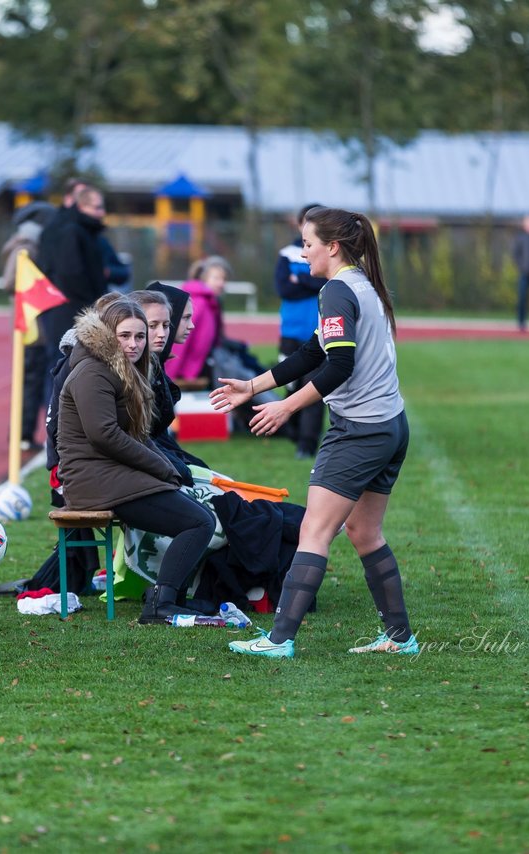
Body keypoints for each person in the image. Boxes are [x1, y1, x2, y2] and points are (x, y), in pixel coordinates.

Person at [211, 206, 418, 659]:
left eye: (307, 244)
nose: (302, 253)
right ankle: (401, 639)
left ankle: (279, 640)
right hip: (389, 426)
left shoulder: (339, 291)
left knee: (314, 530)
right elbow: (313, 351)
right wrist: (253, 385)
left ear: (332, 247)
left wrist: (285, 406)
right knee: (364, 533)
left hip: (361, 431)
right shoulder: (361, 285)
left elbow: (338, 364)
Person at [55, 299, 215, 624]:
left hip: (110, 474)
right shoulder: (92, 371)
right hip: (92, 480)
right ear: (107, 335)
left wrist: (173, 470)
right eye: (125, 335)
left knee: (197, 514)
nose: (134, 344)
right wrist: (161, 468)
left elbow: (139, 435)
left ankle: (170, 599)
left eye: (139, 337)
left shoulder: (122, 368)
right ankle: (160, 604)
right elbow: (104, 435)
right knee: (198, 522)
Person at [130, 286, 206, 480]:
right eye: (185, 318)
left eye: (166, 325)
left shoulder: (155, 363)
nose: (192, 326)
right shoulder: (132, 369)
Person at [36, 184, 109, 379]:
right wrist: (91, 304)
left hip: (77, 308)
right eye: (97, 207)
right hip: (70, 311)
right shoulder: (72, 231)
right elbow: (71, 273)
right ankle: (56, 410)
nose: (102, 212)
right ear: (82, 207)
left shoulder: (85, 231)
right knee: (63, 367)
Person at [1, 201, 56, 450]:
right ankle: (22, 436)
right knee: (30, 379)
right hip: (31, 324)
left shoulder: (28, 246)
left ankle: (23, 434)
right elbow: (10, 281)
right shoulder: (26, 249)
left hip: (34, 322)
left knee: (31, 378)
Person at [275, 204, 328, 459]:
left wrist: (302, 280)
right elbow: (284, 289)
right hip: (291, 332)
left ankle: (307, 444)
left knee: (313, 389)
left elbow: (325, 281)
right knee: (290, 386)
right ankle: (293, 432)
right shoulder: (286, 254)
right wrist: (312, 283)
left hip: (319, 335)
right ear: (299, 225)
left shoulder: (328, 253)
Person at [167, 255, 230, 388]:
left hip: (200, 365)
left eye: (224, 279)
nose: (221, 283)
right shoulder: (198, 303)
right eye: (216, 278)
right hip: (188, 372)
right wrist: (170, 377)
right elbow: (180, 342)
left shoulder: (211, 302)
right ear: (203, 279)